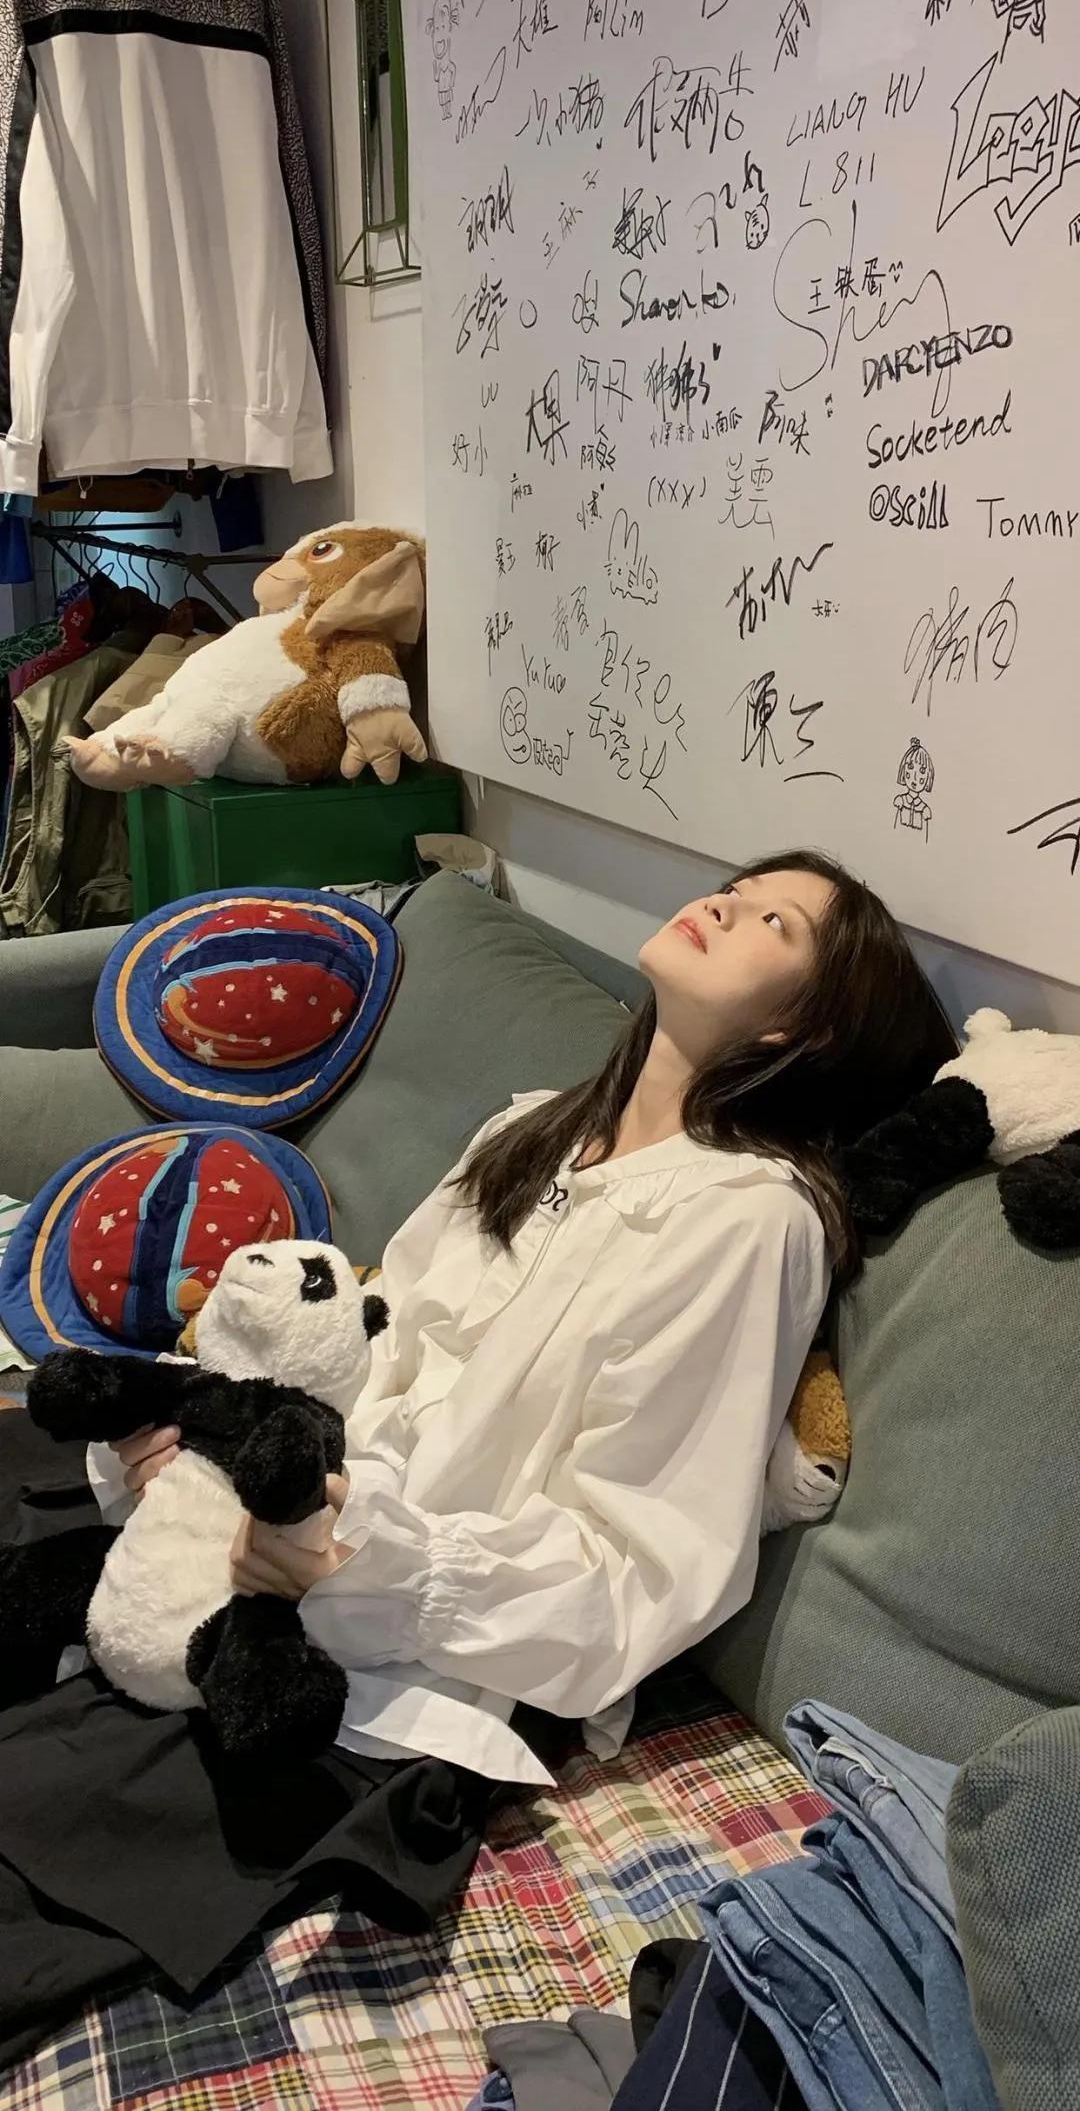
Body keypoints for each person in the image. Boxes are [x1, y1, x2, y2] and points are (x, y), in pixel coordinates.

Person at [0, 851, 953, 2067]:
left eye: (774, 920)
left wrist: (361, 1558)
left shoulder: (751, 1219)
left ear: (801, 1030)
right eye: (737, 885)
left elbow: (644, 1568)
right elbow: (372, 1336)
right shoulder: (530, 1130)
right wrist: (209, 1430)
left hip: (386, 1667)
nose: (722, 904)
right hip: (244, 1524)